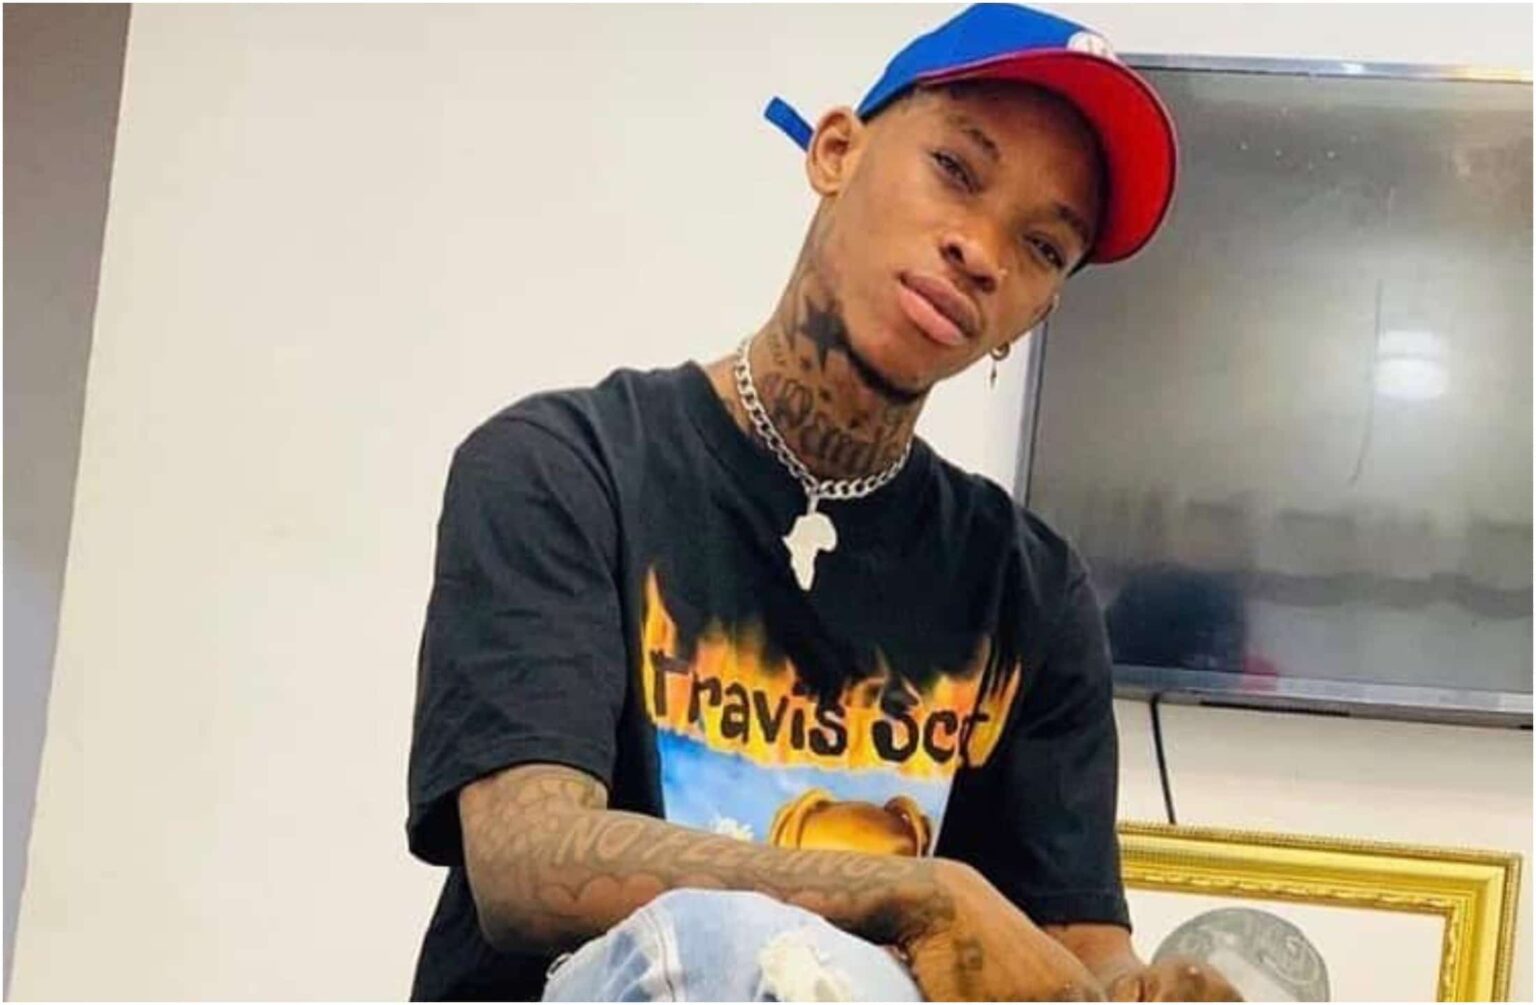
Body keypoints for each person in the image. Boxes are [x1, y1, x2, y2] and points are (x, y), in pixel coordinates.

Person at [406, 4, 1240, 1001]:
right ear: (836, 151)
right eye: (956, 169)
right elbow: (527, 858)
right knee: (713, 945)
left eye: (1043, 247)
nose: (982, 251)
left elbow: (1076, 948)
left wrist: (1138, 991)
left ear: (1037, 312)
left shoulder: (1031, 590)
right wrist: (916, 894)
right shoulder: (565, 468)